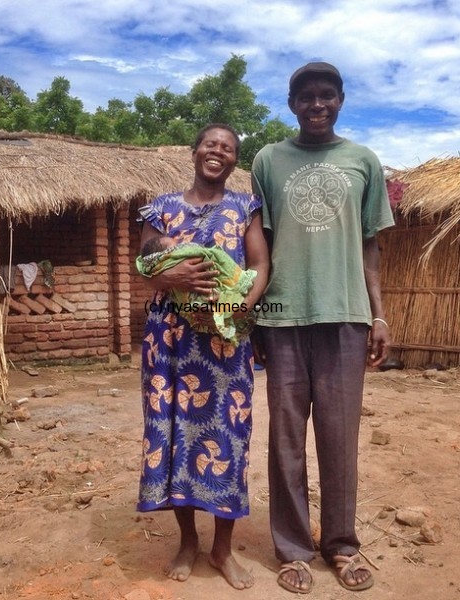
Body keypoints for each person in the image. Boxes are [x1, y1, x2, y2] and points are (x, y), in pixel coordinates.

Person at [251, 62, 394, 594]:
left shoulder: (362, 161)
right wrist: (254, 318)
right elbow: (258, 244)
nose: (317, 104)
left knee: (340, 439)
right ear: (291, 103)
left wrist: (377, 313)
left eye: (327, 95)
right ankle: (291, 550)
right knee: (285, 441)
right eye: (307, 96)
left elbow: (370, 245)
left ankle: (340, 544)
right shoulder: (268, 160)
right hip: (283, 317)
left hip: (345, 318)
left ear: (341, 100)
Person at [136, 123, 269, 590]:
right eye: (211, 145)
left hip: (225, 343)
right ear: (194, 152)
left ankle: (222, 549)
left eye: (228, 148)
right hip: (168, 341)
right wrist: (170, 280)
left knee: (228, 438)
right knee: (175, 435)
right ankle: (188, 542)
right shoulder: (161, 209)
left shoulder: (246, 207)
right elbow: (146, 266)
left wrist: (233, 311)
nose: (219, 152)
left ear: (235, 161)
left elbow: (260, 265)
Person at [136, 236, 258, 345]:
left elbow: (259, 262)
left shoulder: (247, 210)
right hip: (171, 328)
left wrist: (240, 309)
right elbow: (145, 270)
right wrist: (172, 275)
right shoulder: (158, 215)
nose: (180, 244)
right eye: (175, 244)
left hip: (229, 313)